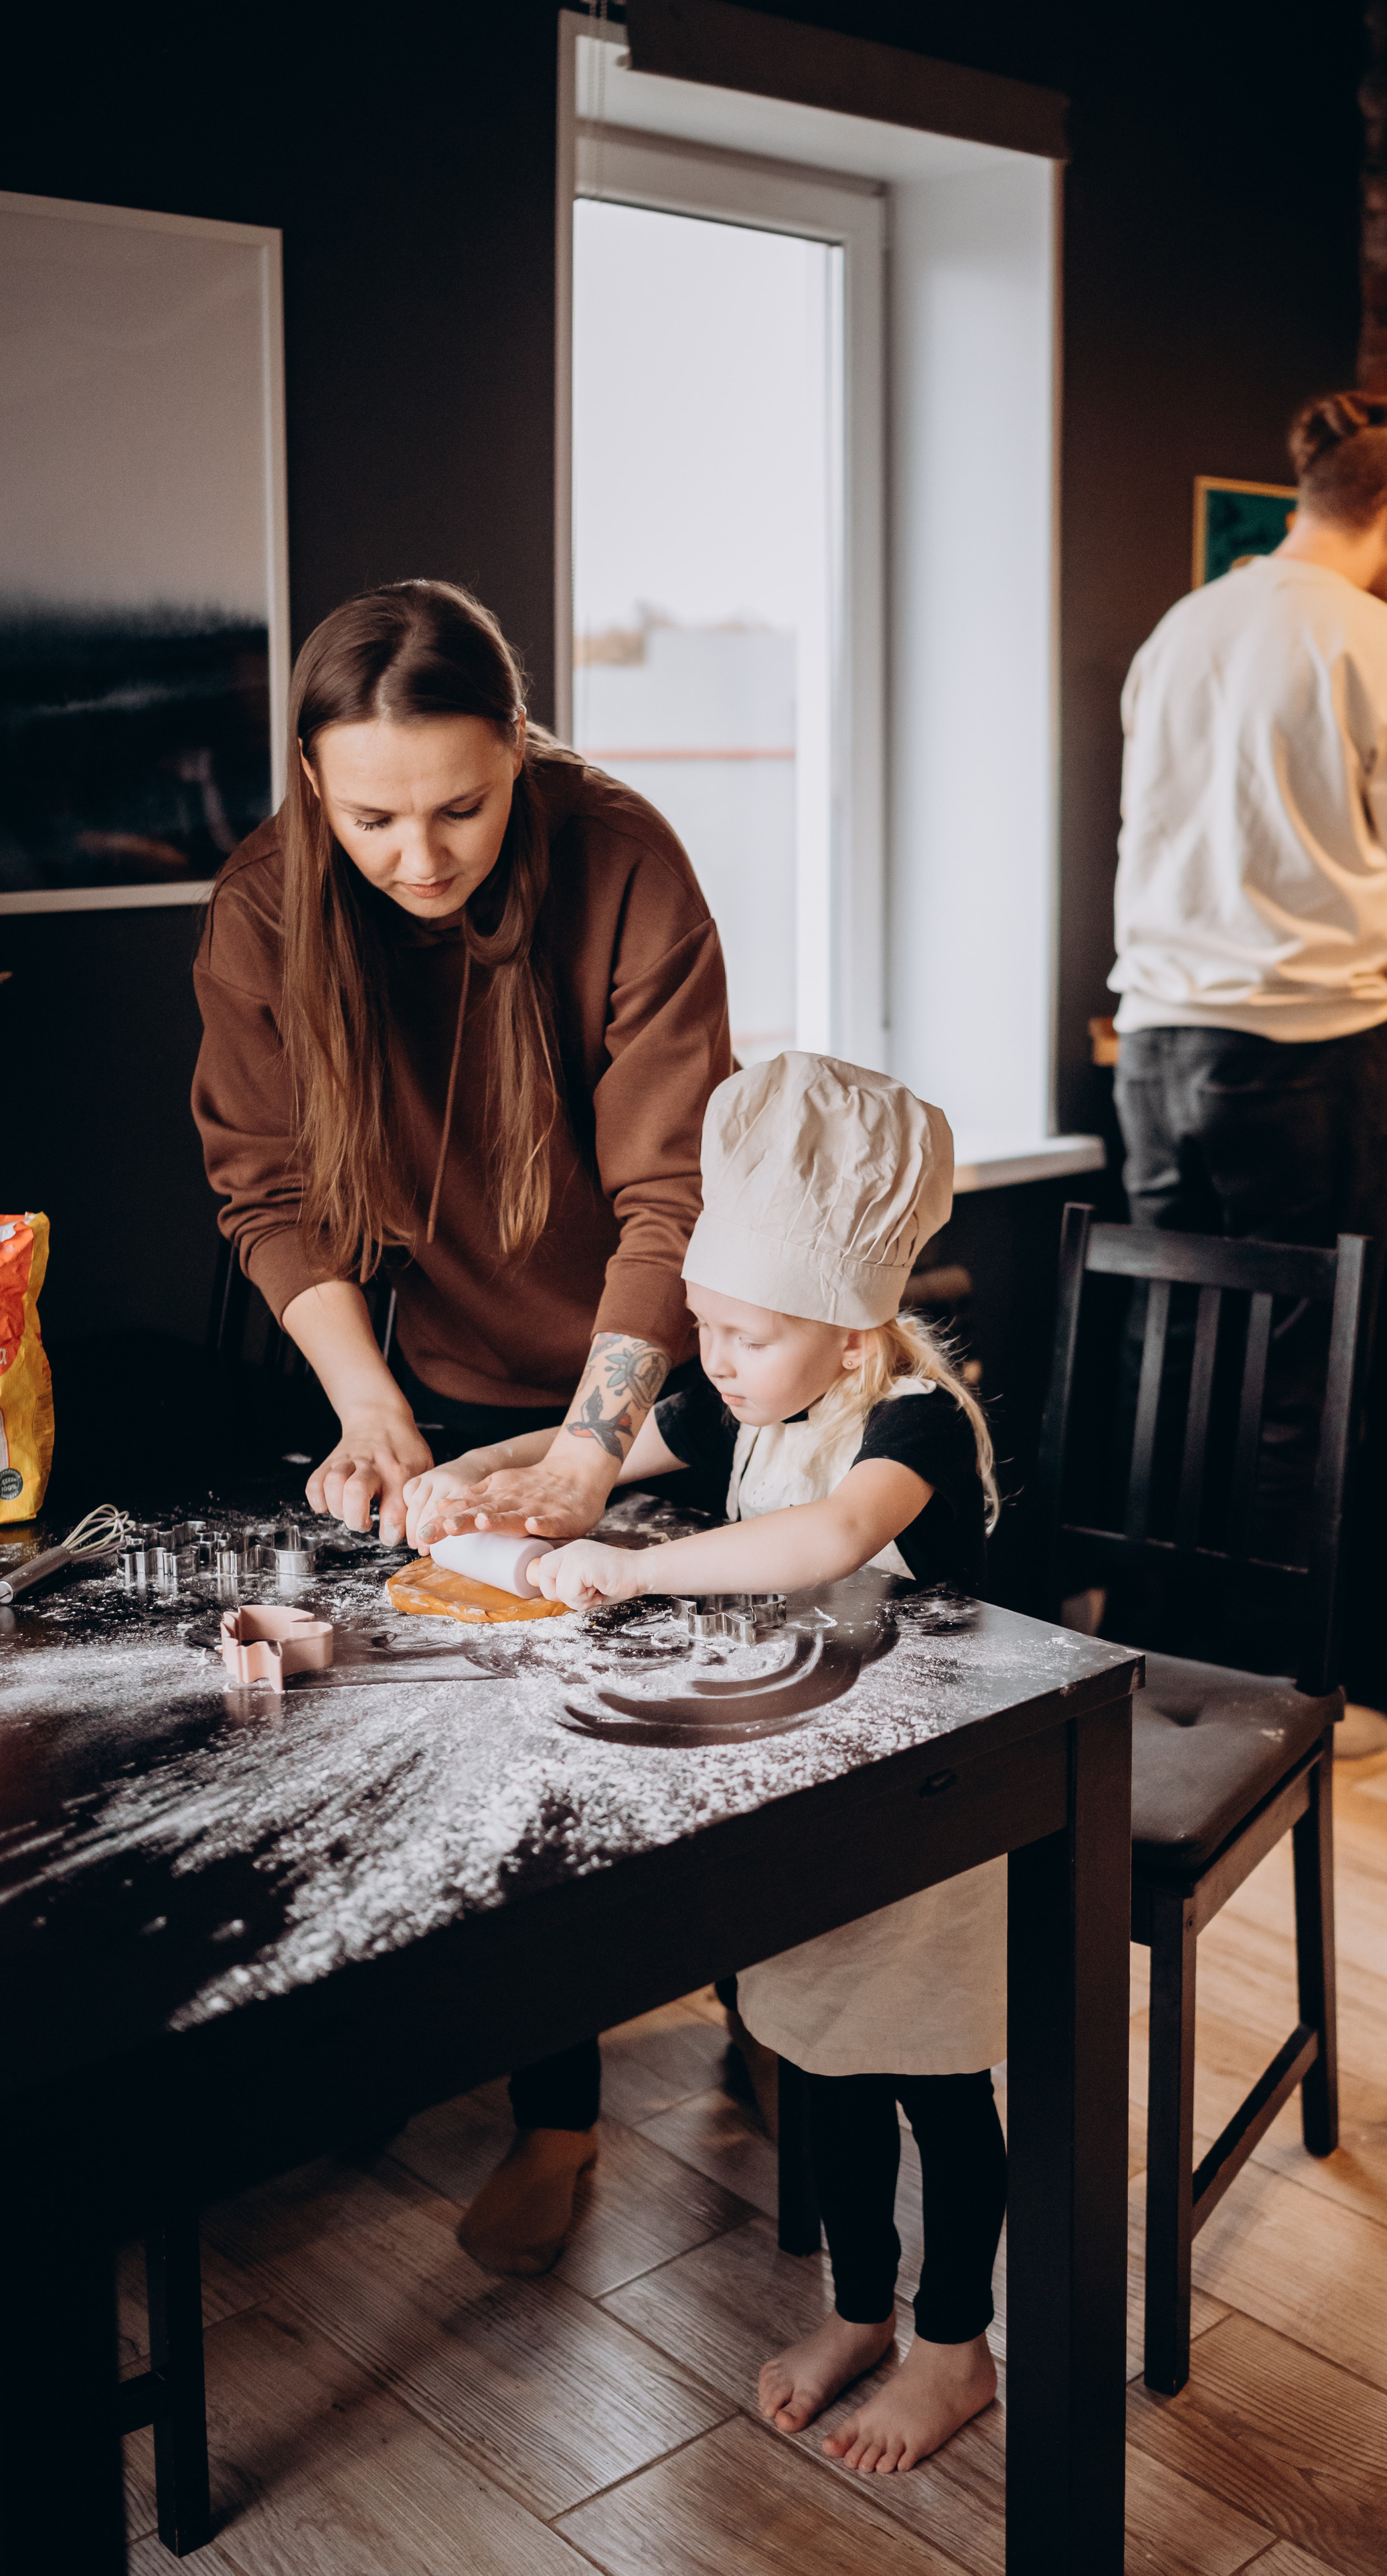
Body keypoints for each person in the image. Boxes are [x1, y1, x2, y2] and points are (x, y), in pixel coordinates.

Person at [191, 578, 731, 2270]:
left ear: (520, 755)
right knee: (513, 1757)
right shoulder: (269, 897)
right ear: (308, 782)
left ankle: (781, 2024)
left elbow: (671, 1196)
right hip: (440, 1370)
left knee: (715, 1707)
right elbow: (268, 1188)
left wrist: (595, 1440)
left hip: (649, 1361)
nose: (418, 857)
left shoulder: (624, 856)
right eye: (372, 818)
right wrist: (371, 1406)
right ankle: (555, 2115)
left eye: (459, 808)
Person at [410, 1053, 1006, 2474]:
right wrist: (480, 1479)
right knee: (833, 2076)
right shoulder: (748, 1406)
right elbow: (586, 1459)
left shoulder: (912, 1425)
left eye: (740, 1336)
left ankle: (953, 2346)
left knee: (934, 2086)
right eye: (706, 1328)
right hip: (816, 1808)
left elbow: (821, 1542)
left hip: (939, 1817)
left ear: (853, 1343)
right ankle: (860, 2311)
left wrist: (632, 1576)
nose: (711, 1360)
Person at [1107, 392, 1387, 1745]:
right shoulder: (1384, 645)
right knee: (1294, 1386)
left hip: (1153, 1042)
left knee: (1166, 1364)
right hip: (1307, 1048)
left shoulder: (1183, 624)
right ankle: (1273, 1699)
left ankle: (1146, 1671)